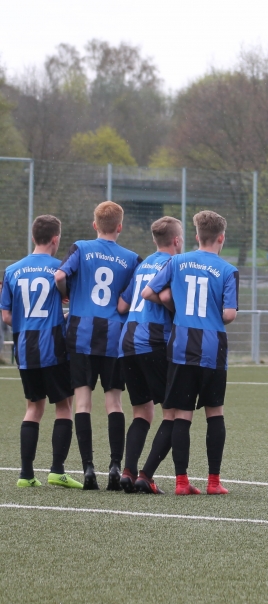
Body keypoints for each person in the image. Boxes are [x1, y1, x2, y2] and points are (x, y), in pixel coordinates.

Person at [143, 210, 238, 495]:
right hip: (212, 347)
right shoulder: (228, 270)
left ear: (196, 237)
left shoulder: (176, 261)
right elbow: (229, 314)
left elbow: (150, 292)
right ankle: (214, 482)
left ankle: (181, 482)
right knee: (215, 413)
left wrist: (179, 309)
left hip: (181, 345)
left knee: (182, 415)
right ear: (221, 238)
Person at [55, 201, 141, 490]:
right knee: (114, 402)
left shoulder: (80, 247)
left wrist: (66, 294)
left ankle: (88, 468)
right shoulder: (132, 258)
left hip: (81, 333)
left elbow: (59, 276)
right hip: (114, 336)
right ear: (120, 227)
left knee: (82, 402)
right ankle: (115, 465)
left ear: (95, 225)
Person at [1, 215, 81, 489]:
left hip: (25, 348)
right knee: (64, 406)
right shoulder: (59, 268)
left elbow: (7, 316)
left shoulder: (12, 270)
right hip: (53, 345)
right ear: (55, 239)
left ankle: (25, 475)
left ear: (33, 237)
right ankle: (57, 471)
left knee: (33, 407)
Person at [116, 216, 184, 494]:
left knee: (142, 412)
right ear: (177, 240)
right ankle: (146, 476)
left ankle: (127, 472)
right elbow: (166, 298)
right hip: (154, 340)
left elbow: (122, 306)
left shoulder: (142, 266)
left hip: (127, 342)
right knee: (174, 413)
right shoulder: (174, 264)